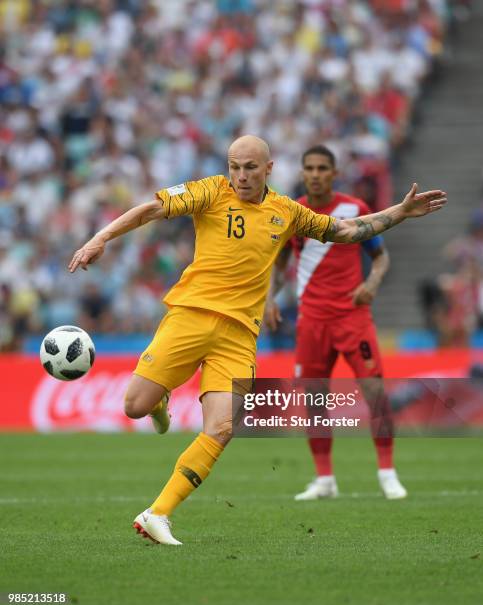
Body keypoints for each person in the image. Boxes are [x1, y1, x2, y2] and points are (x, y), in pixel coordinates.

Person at [69, 135, 446, 545]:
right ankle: (159, 400)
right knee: (133, 406)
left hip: (239, 336)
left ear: (269, 168)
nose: (241, 175)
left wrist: (400, 212)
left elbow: (346, 230)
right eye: (235, 166)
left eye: (250, 167)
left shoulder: (286, 211)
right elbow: (151, 209)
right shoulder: (210, 191)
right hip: (190, 317)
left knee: (223, 427)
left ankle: (158, 513)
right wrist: (100, 237)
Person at [265, 144, 408, 501]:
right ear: (302, 173)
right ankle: (325, 479)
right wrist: (269, 297)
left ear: (334, 173)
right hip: (311, 321)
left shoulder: (354, 209)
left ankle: (387, 472)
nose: (315, 174)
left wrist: (371, 283)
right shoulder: (292, 213)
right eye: (309, 167)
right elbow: (280, 265)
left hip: (352, 317)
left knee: (374, 392)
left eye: (322, 168)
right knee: (314, 399)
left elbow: (380, 257)